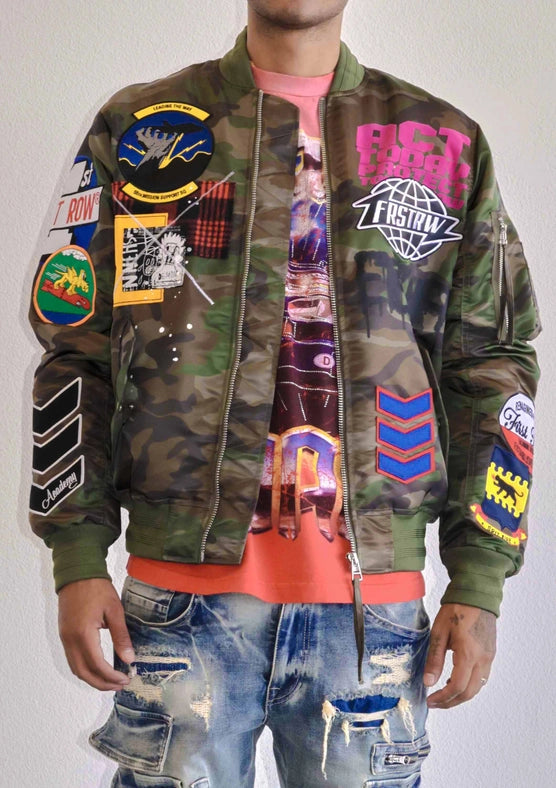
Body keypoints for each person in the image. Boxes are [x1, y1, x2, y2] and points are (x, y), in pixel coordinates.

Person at [27, 1, 541, 786]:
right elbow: (76, 347)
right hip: (179, 605)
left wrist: (479, 580)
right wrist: (76, 553)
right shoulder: (142, 130)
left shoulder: (444, 144)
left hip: (372, 612)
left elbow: (492, 365)